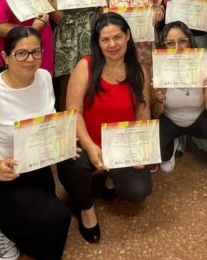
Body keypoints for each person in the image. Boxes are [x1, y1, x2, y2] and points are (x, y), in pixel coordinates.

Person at [0, 26, 72, 260]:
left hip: (34, 166)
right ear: (5, 57)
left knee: (50, 225)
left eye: (36, 52)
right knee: (55, 218)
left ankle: (10, 222)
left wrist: (63, 141)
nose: (30, 59)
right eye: (21, 53)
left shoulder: (44, 77)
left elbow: (46, 123)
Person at [58, 13, 152, 243]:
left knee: (139, 190)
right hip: (88, 140)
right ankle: (86, 209)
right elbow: (74, 112)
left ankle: (111, 175)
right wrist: (90, 146)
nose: (112, 44)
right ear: (97, 42)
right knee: (71, 163)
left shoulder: (139, 70)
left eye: (117, 37)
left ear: (127, 36)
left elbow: (143, 113)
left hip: (121, 145)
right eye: (105, 39)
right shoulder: (85, 66)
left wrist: (141, 150)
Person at [152, 21, 207, 185]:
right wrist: (159, 97)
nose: (177, 48)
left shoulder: (204, 64)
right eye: (170, 43)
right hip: (170, 118)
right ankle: (172, 145)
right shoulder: (158, 67)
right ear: (164, 46)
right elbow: (155, 114)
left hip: (198, 117)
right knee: (155, 144)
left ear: (190, 42)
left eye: (182, 41)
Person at [44, 0, 101, 109]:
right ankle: (69, 125)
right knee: (68, 88)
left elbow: (102, 2)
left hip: (93, 30)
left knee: (94, 84)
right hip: (67, 35)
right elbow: (56, 17)